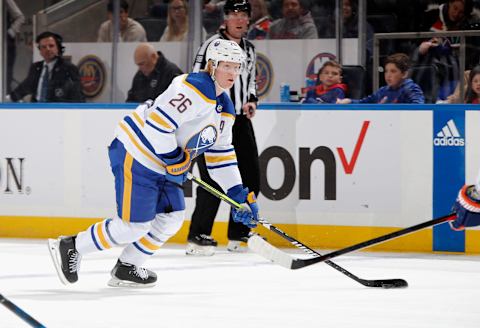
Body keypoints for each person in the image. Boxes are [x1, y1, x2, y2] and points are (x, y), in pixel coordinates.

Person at [48, 38, 260, 288]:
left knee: (171, 217)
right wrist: (175, 159)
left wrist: (237, 194)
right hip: (138, 153)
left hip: (162, 163)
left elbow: (220, 154)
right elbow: (158, 125)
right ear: (212, 66)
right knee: (133, 226)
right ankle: (71, 245)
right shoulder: (193, 88)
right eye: (227, 66)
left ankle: (127, 266)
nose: (233, 73)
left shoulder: (224, 107)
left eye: (237, 67)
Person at [187, 0, 260, 255]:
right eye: (234, 14)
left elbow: (251, 81)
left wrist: (251, 99)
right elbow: (196, 76)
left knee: (250, 177)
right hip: (212, 118)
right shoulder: (211, 45)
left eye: (244, 15)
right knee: (212, 179)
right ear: (226, 18)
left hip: (238, 120)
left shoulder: (250, 49)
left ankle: (238, 235)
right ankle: (198, 235)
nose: (239, 19)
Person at [415, 0, 477, 100]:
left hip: (457, 71)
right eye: (455, 8)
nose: (456, 14)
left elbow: (471, 54)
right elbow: (417, 43)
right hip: (432, 66)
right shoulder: (431, 16)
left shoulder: (469, 23)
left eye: (461, 12)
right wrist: (423, 47)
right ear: (449, 4)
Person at [7, 31, 84, 103]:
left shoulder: (69, 68)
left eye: (51, 46)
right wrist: (8, 99)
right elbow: (24, 88)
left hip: (58, 113)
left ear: (58, 48)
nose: (48, 49)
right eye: (44, 47)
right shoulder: (35, 67)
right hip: (36, 112)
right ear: (40, 51)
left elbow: (78, 98)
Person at [337, 53, 425, 104]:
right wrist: (349, 101)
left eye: (393, 71)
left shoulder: (410, 89)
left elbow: (418, 109)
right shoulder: (383, 91)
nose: (388, 75)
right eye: (386, 71)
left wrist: (388, 108)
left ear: (404, 74)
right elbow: (364, 103)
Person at [5, 0, 25, 94]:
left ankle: (5, 96)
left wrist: (9, 33)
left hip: (5, 43)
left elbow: (20, 17)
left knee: (6, 73)